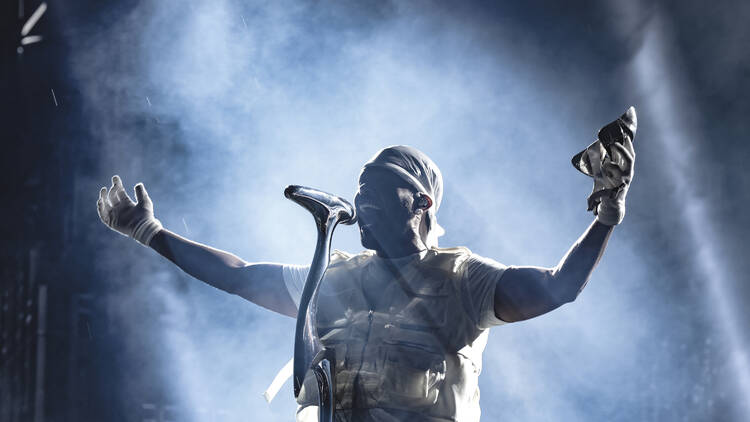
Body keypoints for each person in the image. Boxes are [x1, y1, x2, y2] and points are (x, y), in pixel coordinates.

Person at [96, 139, 635, 422]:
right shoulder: (332, 279)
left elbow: (557, 287)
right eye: (357, 190)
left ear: (421, 201)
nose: (359, 203)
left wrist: (605, 213)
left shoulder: (462, 279)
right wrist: (148, 232)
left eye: (375, 189)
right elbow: (239, 276)